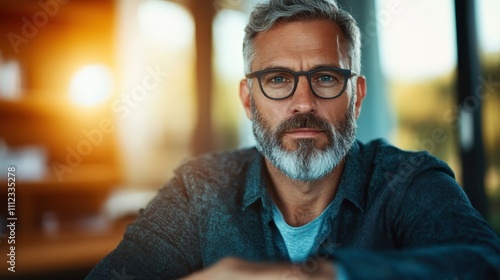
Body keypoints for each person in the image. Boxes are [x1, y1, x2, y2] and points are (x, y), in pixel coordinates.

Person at [87, 0, 500, 279]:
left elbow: (484, 264)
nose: (303, 103)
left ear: (355, 96)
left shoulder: (409, 181)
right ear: (249, 100)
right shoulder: (199, 189)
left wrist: (324, 274)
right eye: (278, 79)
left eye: (325, 77)